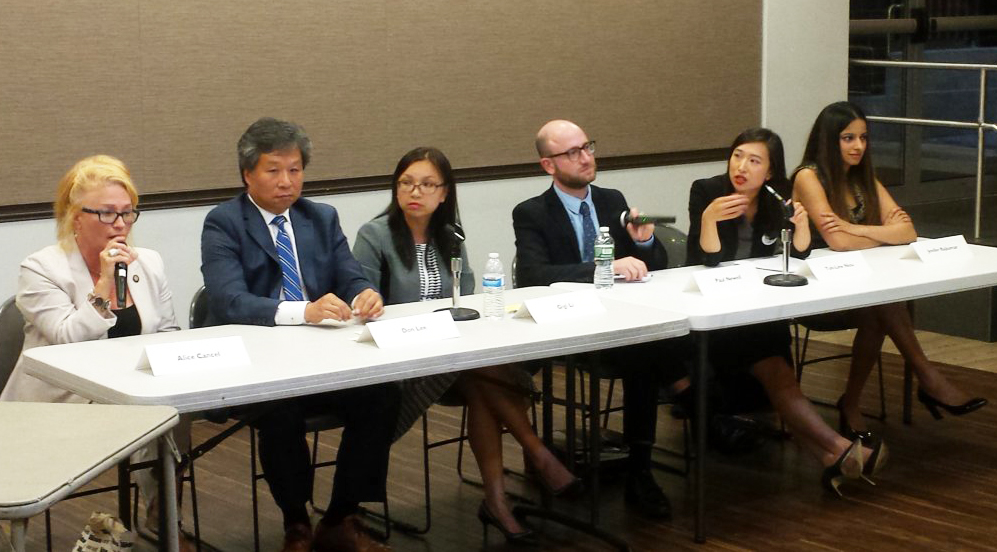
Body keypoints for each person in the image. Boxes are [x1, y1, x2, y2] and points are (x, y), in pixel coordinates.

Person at [352, 147, 578, 543]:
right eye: (405, 183)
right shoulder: (375, 236)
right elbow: (363, 294)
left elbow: (467, 295)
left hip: (454, 356)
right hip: (402, 359)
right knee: (484, 375)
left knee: (479, 379)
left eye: (426, 184)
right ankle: (537, 455)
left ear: (444, 193)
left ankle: (498, 499)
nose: (414, 191)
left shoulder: (450, 234)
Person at [200, 117, 399, 552]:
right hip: (258, 366)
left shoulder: (320, 217)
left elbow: (350, 275)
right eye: (273, 170)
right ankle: (296, 522)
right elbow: (228, 300)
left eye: (295, 169)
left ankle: (341, 515)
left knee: (382, 394)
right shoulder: (224, 222)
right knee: (279, 410)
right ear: (247, 173)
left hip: (325, 358)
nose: (287, 181)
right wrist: (301, 311)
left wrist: (365, 292)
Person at [0, 155, 193, 550]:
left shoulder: (149, 263)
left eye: (127, 214)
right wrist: (104, 286)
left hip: (129, 393)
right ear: (76, 218)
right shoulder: (40, 269)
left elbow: (169, 333)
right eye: (107, 214)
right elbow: (69, 338)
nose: (120, 225)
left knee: (179, 410)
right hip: (59, 401)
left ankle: (162, 520)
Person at [687, 128, 885, 494]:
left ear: (771, 172)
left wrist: (802, 226)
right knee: (778, 374)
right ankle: (839, 448)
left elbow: (800, 255)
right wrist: (709, 221)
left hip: (760, 313)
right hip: (716, 317)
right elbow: (707, 260)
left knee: (780, 376)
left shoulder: (774, 199)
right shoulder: (708, 191)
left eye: (754, 160)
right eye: (737, 155)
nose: (741, 166)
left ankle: (833, 457)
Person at [512, 119, 689, 519]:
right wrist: (601, 267)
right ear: (548, 165)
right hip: (570, 327)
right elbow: (533, 275)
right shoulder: (532, 212)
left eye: (588, 146)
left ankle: (641, 469)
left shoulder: (612, 200)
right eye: (572, 152)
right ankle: (688, 394)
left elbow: (652, 267)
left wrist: (644, 240)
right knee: (650, 353)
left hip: (621, 320)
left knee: (648, 348)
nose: (586, 157)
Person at [792, 101, 986, 442]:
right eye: (848, 138)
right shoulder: (809, 176)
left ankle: (854, 402)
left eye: (863, 138)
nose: (858, 147)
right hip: (821, 291)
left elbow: (907, 233)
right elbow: (837, 241)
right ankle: (926, 378)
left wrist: (862, 231)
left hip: (864, 287)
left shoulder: (862, 177)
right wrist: (879, 234)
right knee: (885, 304)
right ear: (828, 141)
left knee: (880, 308)